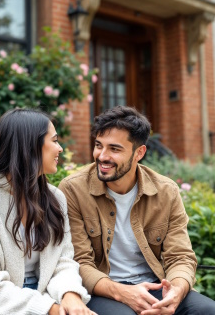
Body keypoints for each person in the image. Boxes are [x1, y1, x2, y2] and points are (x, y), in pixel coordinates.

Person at [59, 105, 215, 315]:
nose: (102, 156)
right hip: (103, 289)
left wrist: (176, 290)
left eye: (114, 149)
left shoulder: (166, 191)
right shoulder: (73, 189)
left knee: (207, 310)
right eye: (98, 145)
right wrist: (122, 292)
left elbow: (180, 256)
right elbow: (79, 262)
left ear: (139, 153)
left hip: (155, 286)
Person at [0, 108, 96, 315]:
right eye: (54, 140)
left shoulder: (54, 198)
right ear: (31, 145)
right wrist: (51, 309)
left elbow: (63, 261)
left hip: (43, 300)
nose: (60, 148)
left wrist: (70, 294)